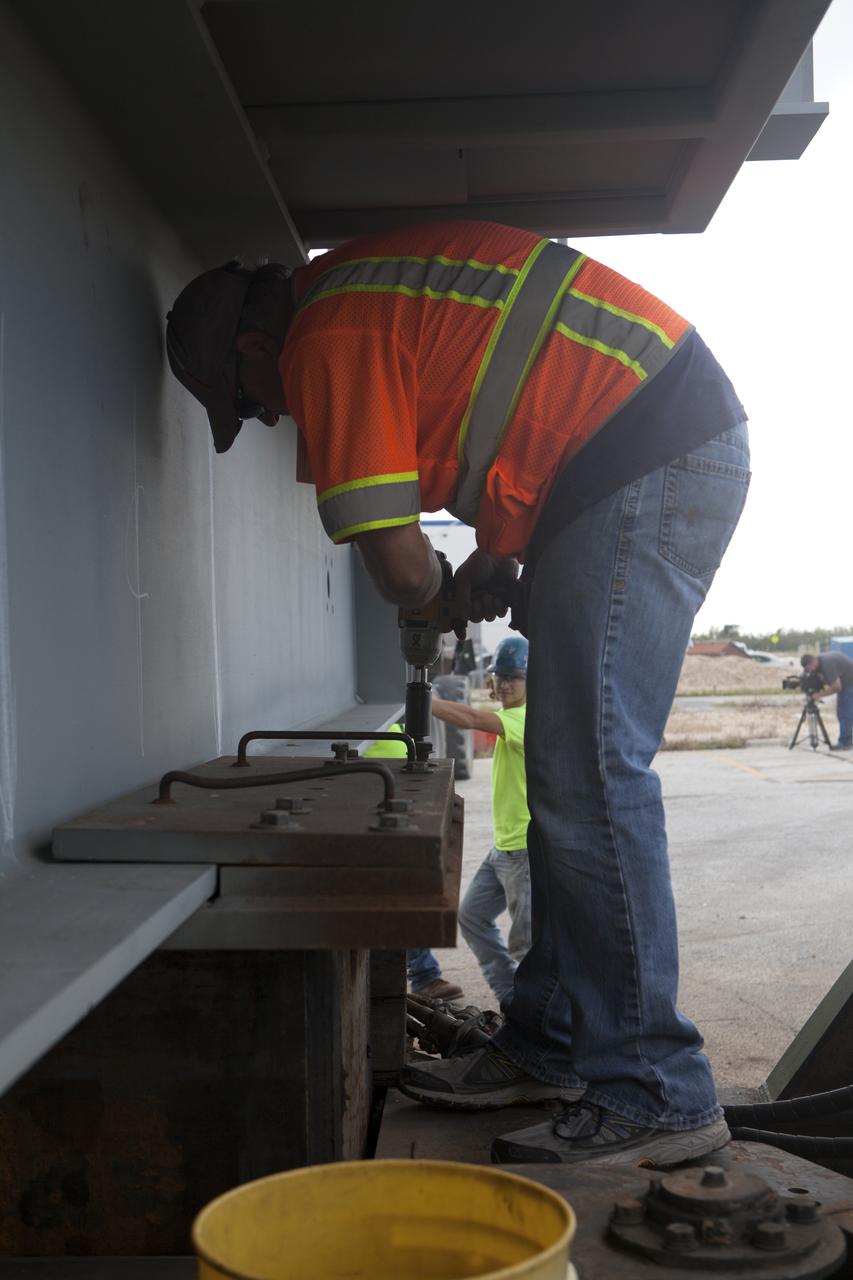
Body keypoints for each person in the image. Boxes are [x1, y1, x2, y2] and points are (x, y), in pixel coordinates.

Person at [167, 220, 750, 1166]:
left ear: (252, 348)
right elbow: (530, 431)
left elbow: (398, 566)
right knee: (570, 782)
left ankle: (653, 1090)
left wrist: (435, 595)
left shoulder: (327, 333)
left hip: (646, 456)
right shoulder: (368, 295)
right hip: (628, 455)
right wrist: (482, 563)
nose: (277, 420)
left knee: (591, 780)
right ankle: (552, 1044)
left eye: (256, 405)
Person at [431, 636, 532, 1010]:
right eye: (500, 676)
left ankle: (539, 1026)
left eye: (514, 677)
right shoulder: (512, 713)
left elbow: (473, 719)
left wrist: (420, 697)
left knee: (528, 947)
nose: (503, 684)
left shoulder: (526, 718)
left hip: (524, 851)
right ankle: (512, 1000)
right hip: (503, 848)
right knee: (472, 917)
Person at [364, 725, 464, 1002]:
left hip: (389, 789)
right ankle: (423, 976)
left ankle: (423, 976)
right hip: (371, 791)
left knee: (404, 890)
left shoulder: (389, 720)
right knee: (397, 892)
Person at [801, 652, 853, 750]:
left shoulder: (827, 664)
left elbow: (837, 687)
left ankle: (846, 742)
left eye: (809, 669)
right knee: (844, 713)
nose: (810, 671)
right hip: (847, 684)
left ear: (812, 663)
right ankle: (847, 739)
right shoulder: (820, 661)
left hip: (849, 685)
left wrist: (819, 695)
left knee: (845, 713)